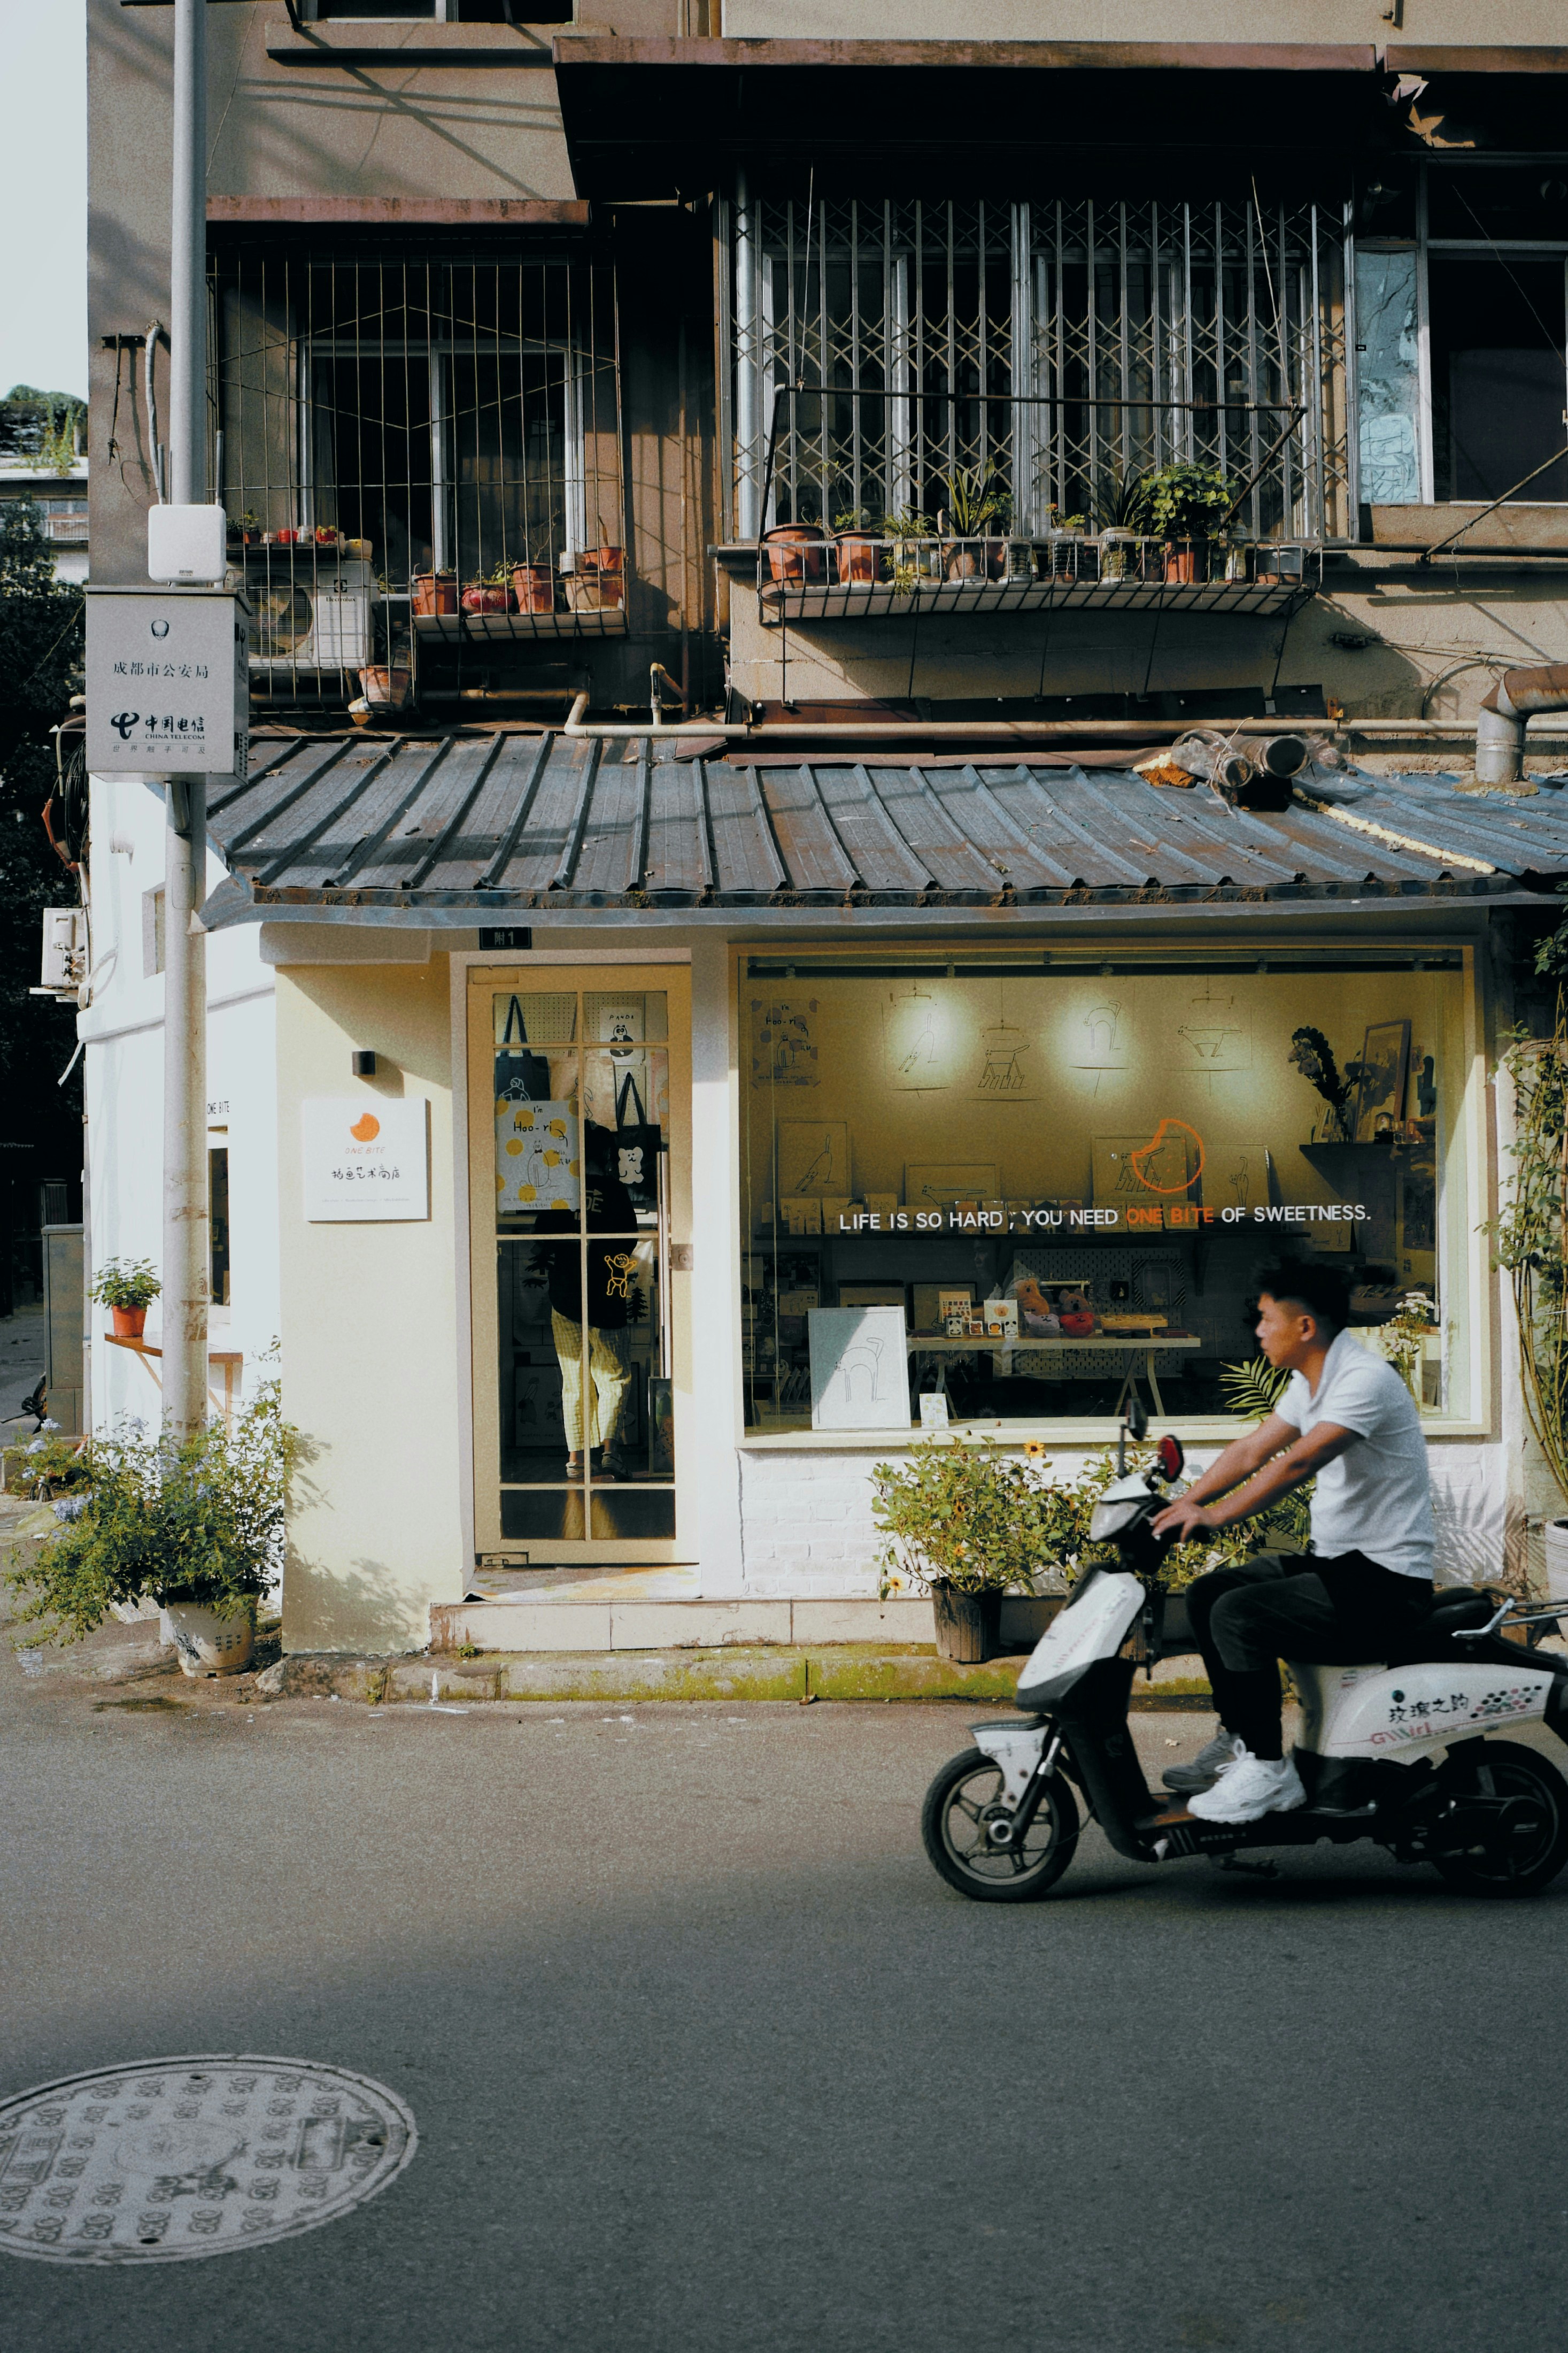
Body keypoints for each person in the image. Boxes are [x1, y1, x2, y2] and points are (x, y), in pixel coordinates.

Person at [1150, 1256, 1435, 1825]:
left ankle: (1266, 1770)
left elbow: (1296, 1463)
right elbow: (1251, 1450)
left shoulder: (1363, 1380)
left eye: (1264, 1318)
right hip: (1340, 1566)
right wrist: (1187, 1502)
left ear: (1303, 1326)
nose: (1257, 1330)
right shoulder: (1312, 1382)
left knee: (1238, 1614)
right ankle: (1239, 1738)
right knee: (1209, 1593)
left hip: (1385, 1582)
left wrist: (1216, 1516)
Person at [531, 1123, 639, 1480]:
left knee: (574, 1381)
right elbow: (627, 1242)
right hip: (607, 1296)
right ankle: (610, 1453)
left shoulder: (560, 1190)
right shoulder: (617, 1192)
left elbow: (542, 1237)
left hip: (565, 1296)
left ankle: (576, 1459)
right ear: (607, 1156)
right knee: (613, 1376)